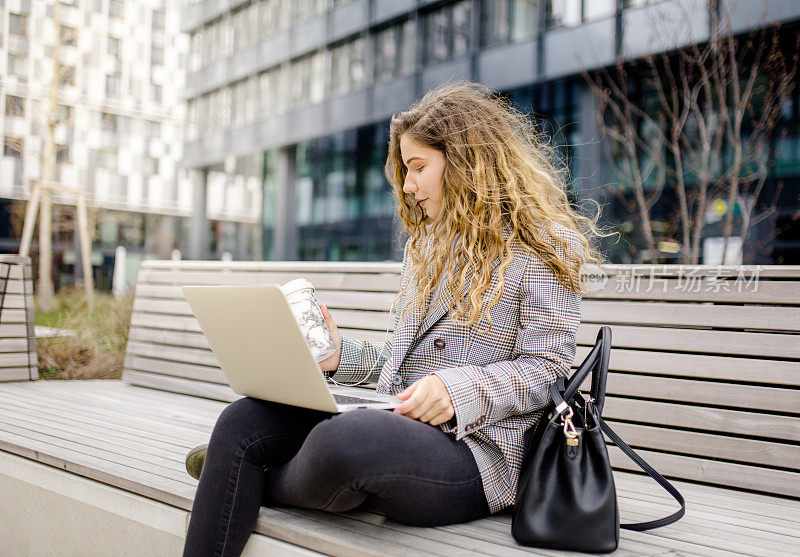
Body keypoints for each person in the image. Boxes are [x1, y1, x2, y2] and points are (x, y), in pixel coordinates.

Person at [181, 81, 606, 556]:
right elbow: (402, 362)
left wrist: (456, 390)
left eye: (418, 167)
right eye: (405, 170)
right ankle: (244, 465)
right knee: (242, 420)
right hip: (397, 423)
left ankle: (251, 475)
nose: (407, 185)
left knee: (347, 442)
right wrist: (341, 358)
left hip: (478, 453)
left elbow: (548, 368)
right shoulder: (426, 246)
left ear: (466, 162)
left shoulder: (541, 246)